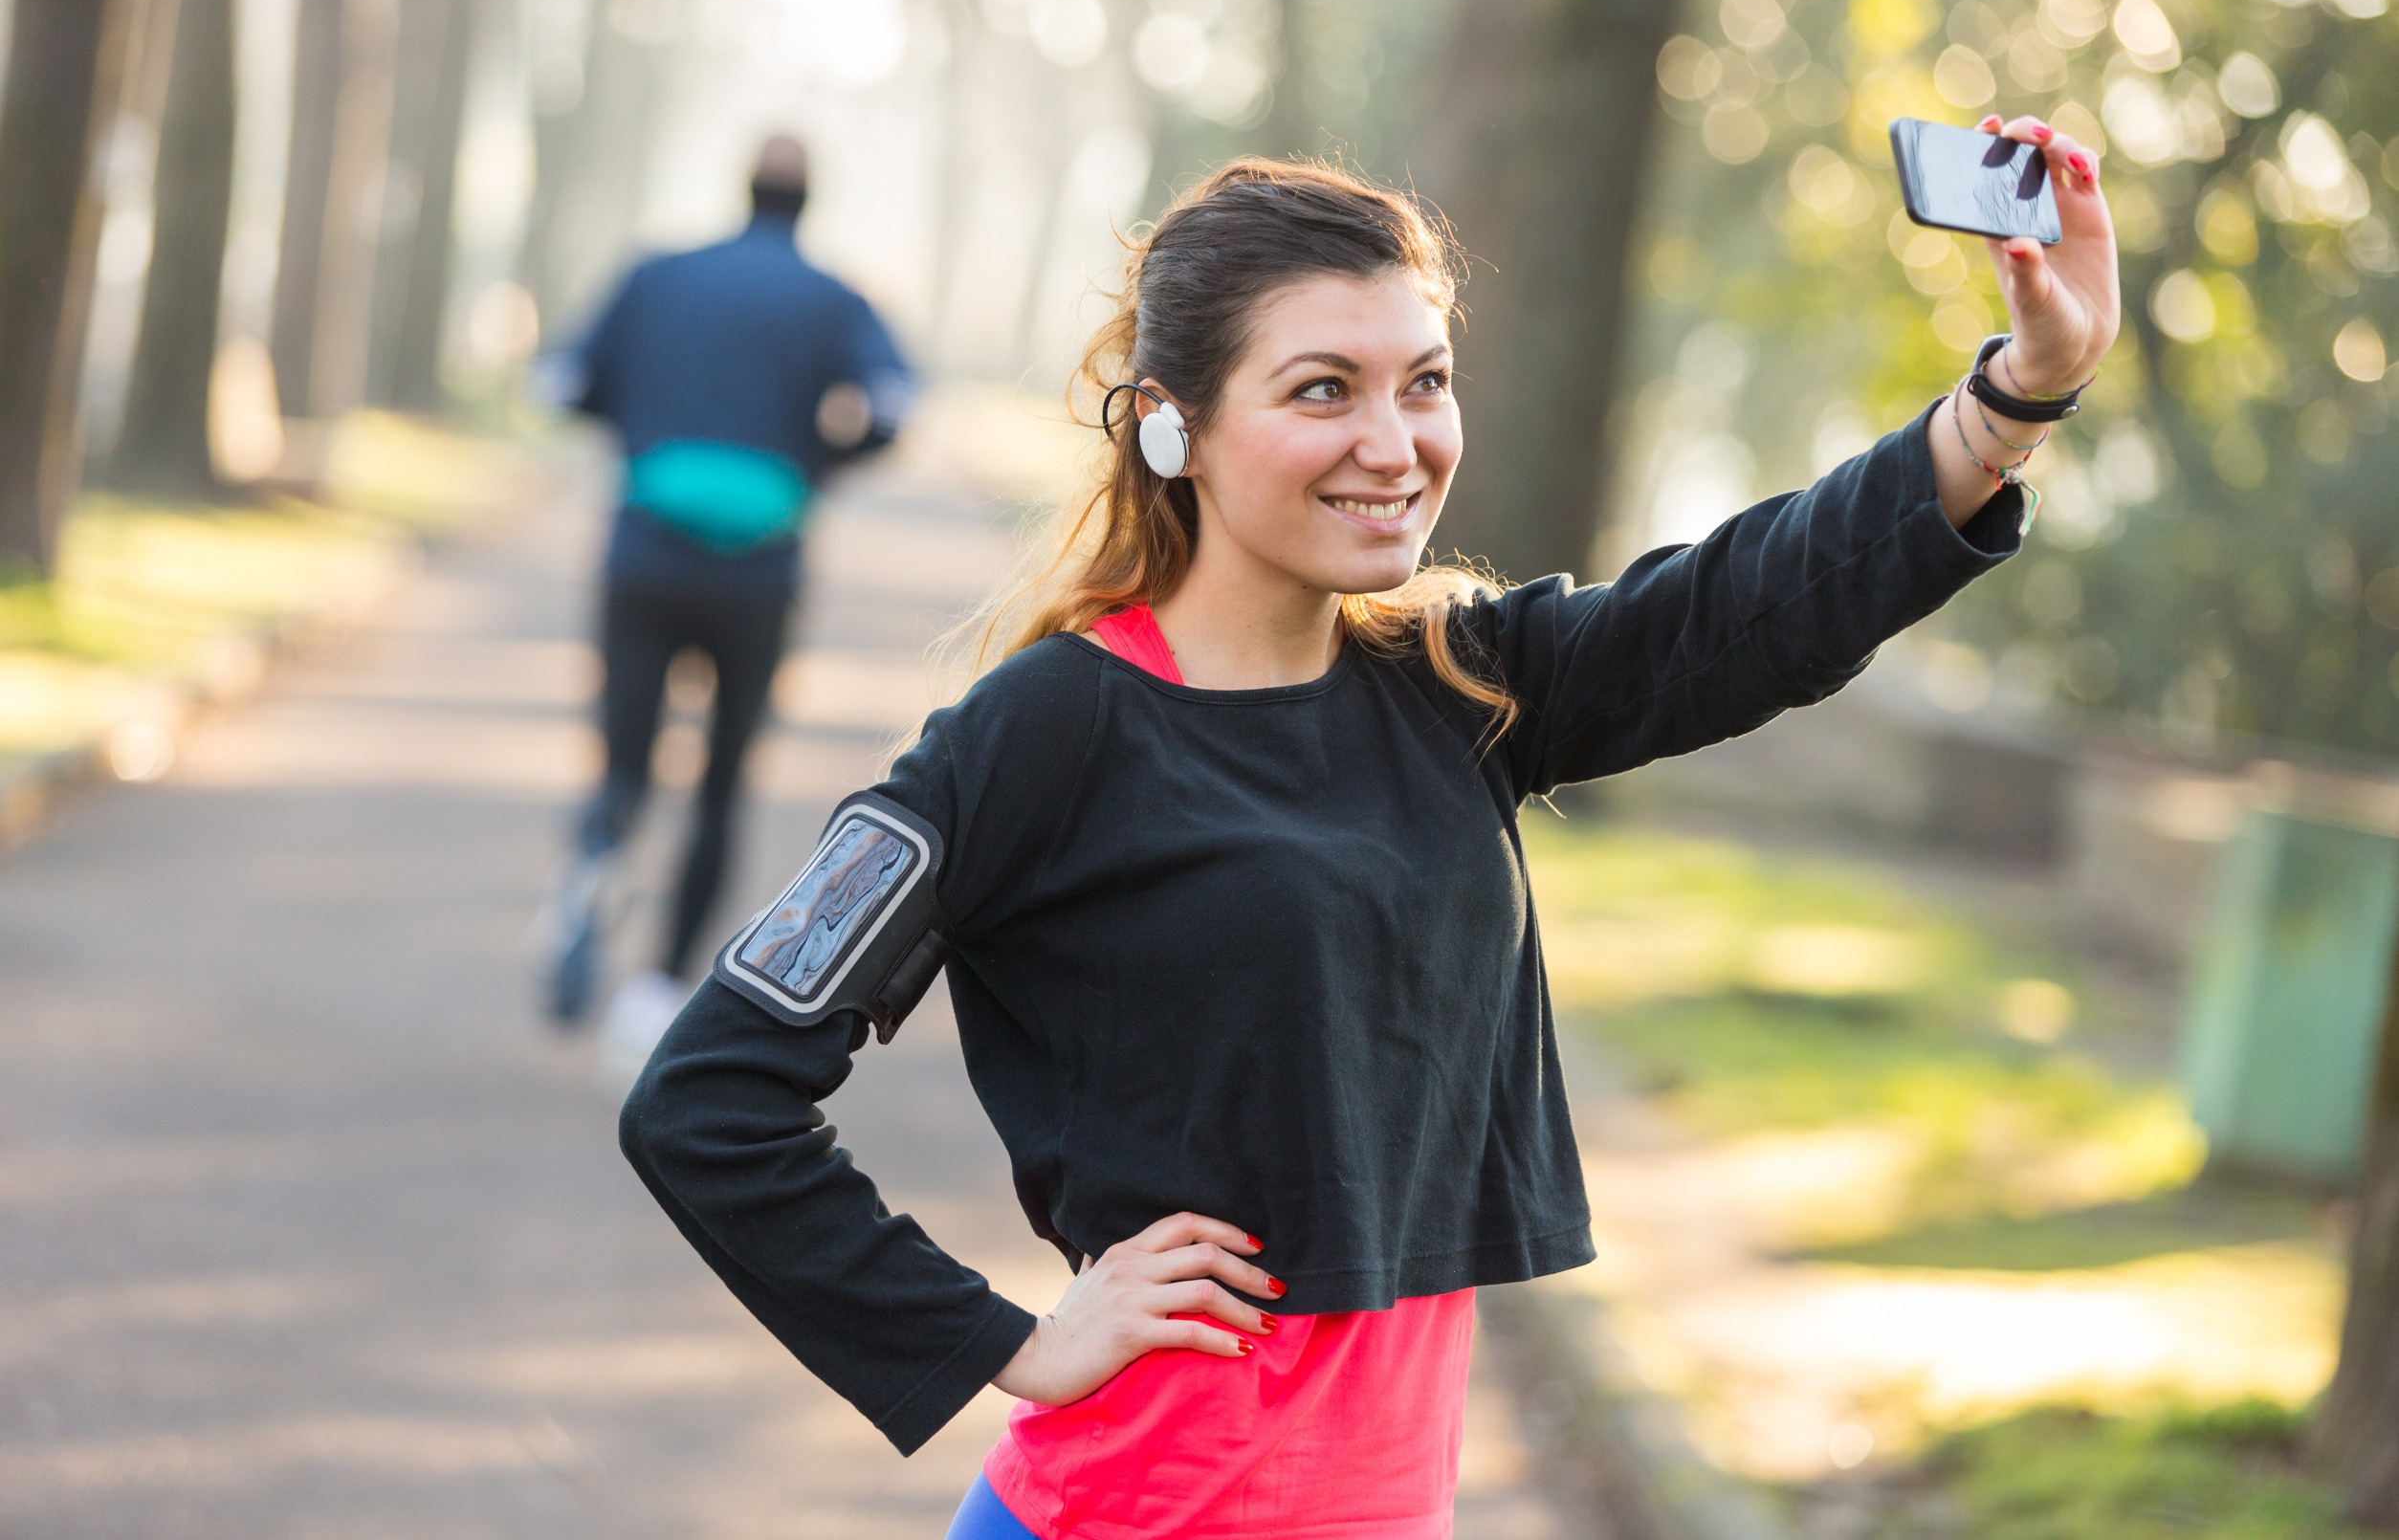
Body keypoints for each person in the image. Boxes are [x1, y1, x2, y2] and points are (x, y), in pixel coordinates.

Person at [620, 119, 2117, 1539]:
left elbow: (1741, 604)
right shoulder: (1050, 728)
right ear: (1171, 426)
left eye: (1425, 382)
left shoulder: (1459, 681)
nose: (1394, 443)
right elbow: (710, 1099)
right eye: (1322, 390)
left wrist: (2014, 398)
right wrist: (1007, 1340)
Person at [541, 134, 913, 1048]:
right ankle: (656, 990)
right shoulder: (834, 297)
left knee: (624, 762)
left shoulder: (658, 273)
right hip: (759, 568)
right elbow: (896, 404)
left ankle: (598, 860)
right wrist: (820, 461)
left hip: (646, 547)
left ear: (740, 190)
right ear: (807, 203)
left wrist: (633, 430)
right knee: (720, 785)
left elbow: (560, 383)